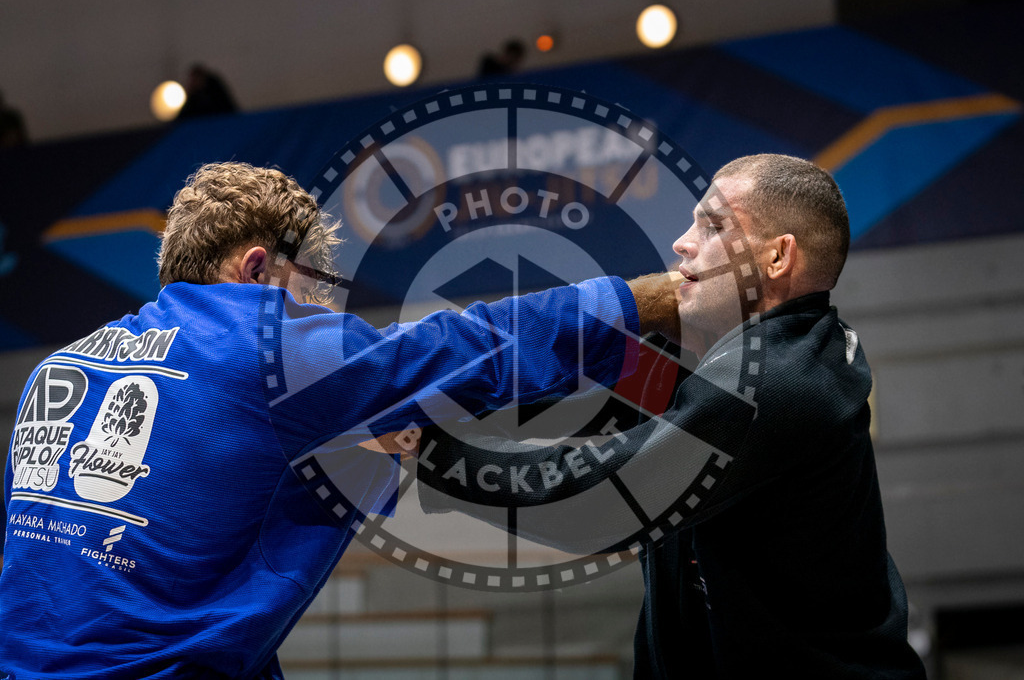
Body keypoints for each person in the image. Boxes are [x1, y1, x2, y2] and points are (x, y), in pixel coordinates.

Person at [0, 161, 680, 678]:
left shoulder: (56, 370)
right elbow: (474, 344)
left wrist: (370, 443)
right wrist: (654, 301)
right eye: (309, 294)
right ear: (259, 267)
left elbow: (191, 550)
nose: (317, 315)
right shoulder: (265, 343)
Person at [405, 154, 927, 678]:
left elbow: (596, 504)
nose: (682, 242)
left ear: (776, 258)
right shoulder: (733, 355)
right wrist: (422, 391)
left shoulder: (773, 382)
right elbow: (574, 398)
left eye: (713, 225)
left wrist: (425, 449)